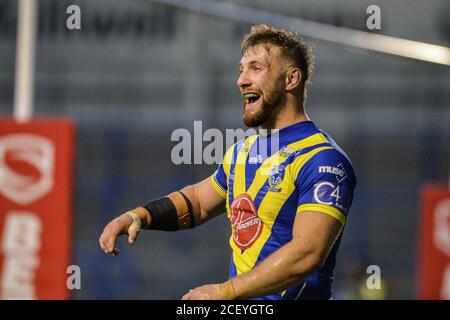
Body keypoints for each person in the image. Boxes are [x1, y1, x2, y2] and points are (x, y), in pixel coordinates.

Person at [99, 24, 356, 300]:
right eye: (241, 70)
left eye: (256, 68)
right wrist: (140, 215)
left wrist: (225, 291)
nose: (242, 80)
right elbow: (197, 202)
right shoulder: (241, 151)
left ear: (291, 79)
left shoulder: (323, 159)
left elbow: (308, 253)